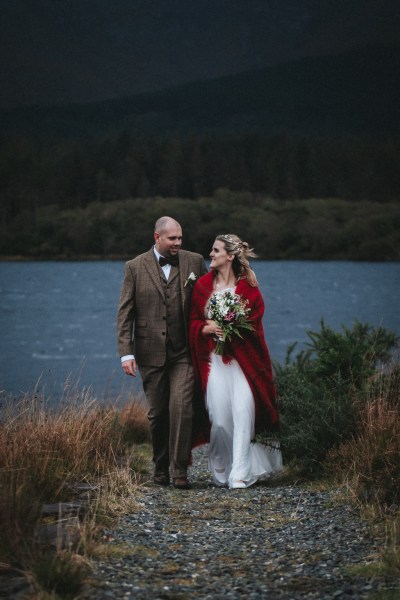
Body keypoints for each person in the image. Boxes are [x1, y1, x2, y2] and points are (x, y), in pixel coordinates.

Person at [117, 216, 207, 489]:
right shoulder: (134, 267)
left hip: (184, 352)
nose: (178, 243)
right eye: (172, 239)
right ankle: (160, 468)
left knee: (182, 408)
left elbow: (207, 300)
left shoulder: (194, 261)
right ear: (157, 237)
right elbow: (125, 312)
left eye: (180, 238)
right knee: (158, 414)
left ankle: (180, 471)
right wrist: (126, 353)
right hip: (149, 352)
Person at [189, 234, 282, 489]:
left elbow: (255, 321)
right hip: (215, 361)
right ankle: (222, 469)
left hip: (243, 362)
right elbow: (194, 321)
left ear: (230, 256)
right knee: (219, 420)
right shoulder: (203, 286)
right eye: (212, 249)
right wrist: (207, 329)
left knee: (243, 413)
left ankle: (239, 474)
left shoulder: (248, 286)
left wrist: (233, 326)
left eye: (216, 250)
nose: (211, 254)